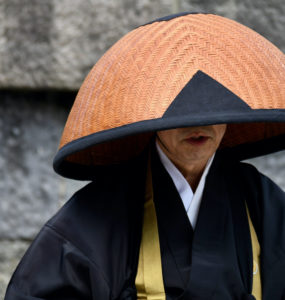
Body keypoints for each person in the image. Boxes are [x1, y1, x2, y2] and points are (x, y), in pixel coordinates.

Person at [5, 12, 285, 300]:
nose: (198, 125)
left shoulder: (260, 200)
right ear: (151, 118)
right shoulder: (99, 214)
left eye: (215, 110)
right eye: (182, 113)